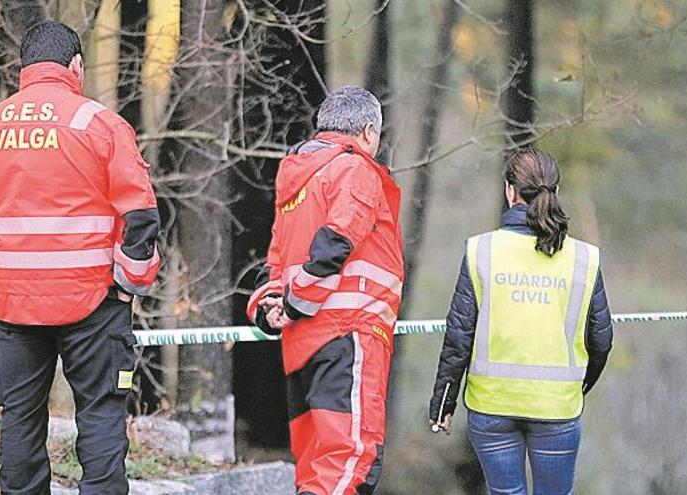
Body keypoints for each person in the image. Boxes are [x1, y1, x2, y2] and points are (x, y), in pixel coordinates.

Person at [0, 21, 160, 494]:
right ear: (76, 66)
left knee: (20, 424)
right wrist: (128, 283)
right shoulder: (101, 125)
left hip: (14, 306)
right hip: (95, 303)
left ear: (23, 71)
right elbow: (140, 216)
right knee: (100, 418)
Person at [245, 86, 403, 495]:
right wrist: (296, 303)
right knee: (350, 461)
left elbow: (275, 260)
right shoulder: (356, 171)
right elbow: (334, 245)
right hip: (349, 335)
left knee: (316, 470)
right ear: (368, 132)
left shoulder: (297, 178)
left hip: (303, 346)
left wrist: (270, 307)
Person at [428, 148, 613, 495]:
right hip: (556, 407)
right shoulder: (584, 258)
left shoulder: (481, 250)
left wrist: (443, 403)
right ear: (555, 193)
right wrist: (579, 386)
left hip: (491, 406)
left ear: (509, 191)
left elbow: (458, 334)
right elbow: (601, 340)